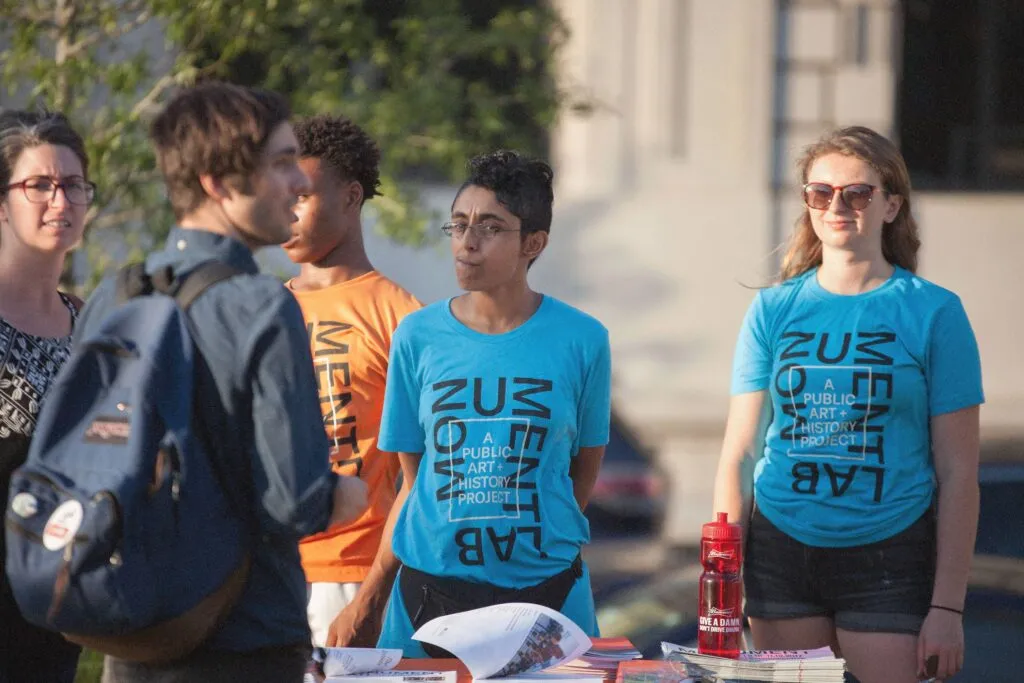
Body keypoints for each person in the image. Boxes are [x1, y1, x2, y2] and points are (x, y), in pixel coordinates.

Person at [72, 82, 367, 683]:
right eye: (282, 163)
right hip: (243, 638)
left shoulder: (115, 293)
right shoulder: (262, 304)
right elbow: (294, 499)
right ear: (218, 182)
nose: (301, 183)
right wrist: (343, 494)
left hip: (131, 632)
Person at [712, 126, 983, 683]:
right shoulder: (773, 311)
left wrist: (948, 609)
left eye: (857, 193)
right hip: (780, 549)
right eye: (820, 192)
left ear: (891, 207)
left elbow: (959, 473)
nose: (837, 205)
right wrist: (722, 582)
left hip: (889, 553)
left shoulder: (933, 312)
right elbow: (740, 453)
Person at [345, 149, 611, 656]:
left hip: (550, 596)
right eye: (459, 224)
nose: (467, 242)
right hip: (430, 595)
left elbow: (585, 471)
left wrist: (529, 546)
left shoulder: (584, 339)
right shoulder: (415, 336)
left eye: (490, 227)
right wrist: (368, 597)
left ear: (534, 242)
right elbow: (414, 477)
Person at [281, 114, 421, 648]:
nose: (286, 211)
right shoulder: (262, 307)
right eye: (282, 193)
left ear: (350, 196)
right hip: (262, 574)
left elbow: (423, 478)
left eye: (303, 196)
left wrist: (370, 599)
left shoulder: (402, 317)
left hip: (351, 579)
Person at [0, 109, 91, 683]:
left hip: (60, 625)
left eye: (73, 185)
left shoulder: (93, 330)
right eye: (39, 185)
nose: (60, 200)